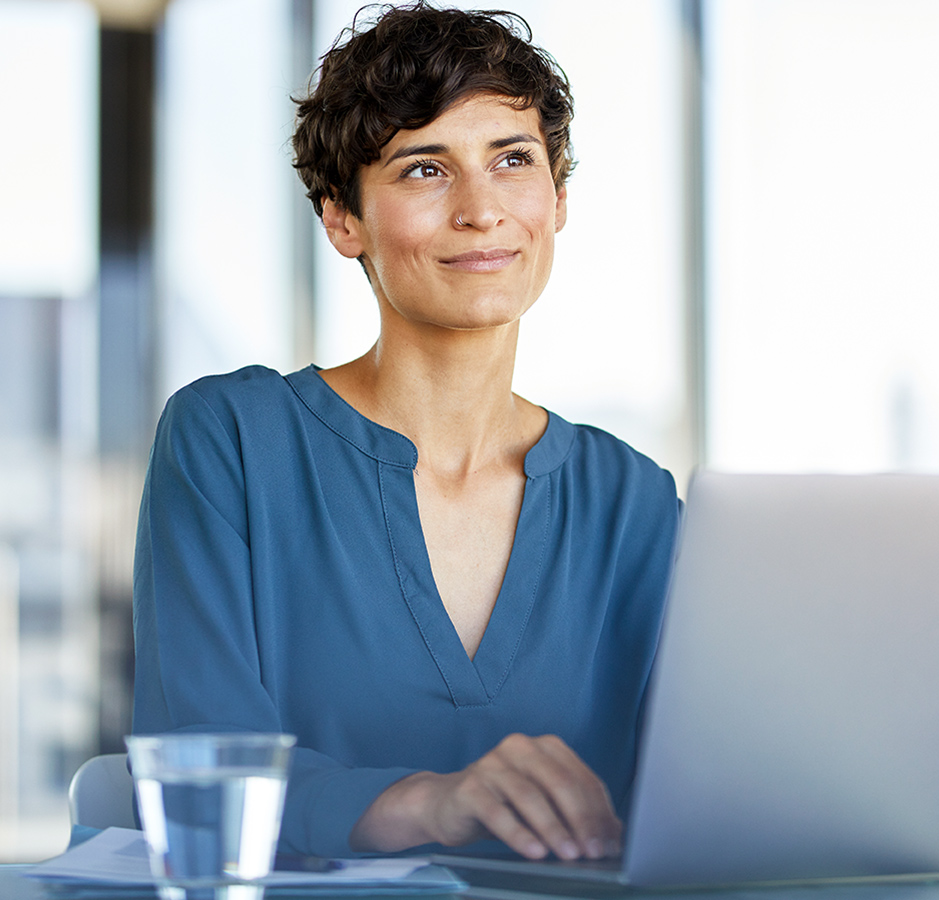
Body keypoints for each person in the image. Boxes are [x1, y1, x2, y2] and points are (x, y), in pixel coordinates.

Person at [131, 2, 681, 864]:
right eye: (425, 170)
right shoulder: (232, 442)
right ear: (342, 219)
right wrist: (435, 802)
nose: (481, 210)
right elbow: (200, 763)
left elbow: (697, 786)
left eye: (513, 160)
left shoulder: (633, 499)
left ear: (559, 196)